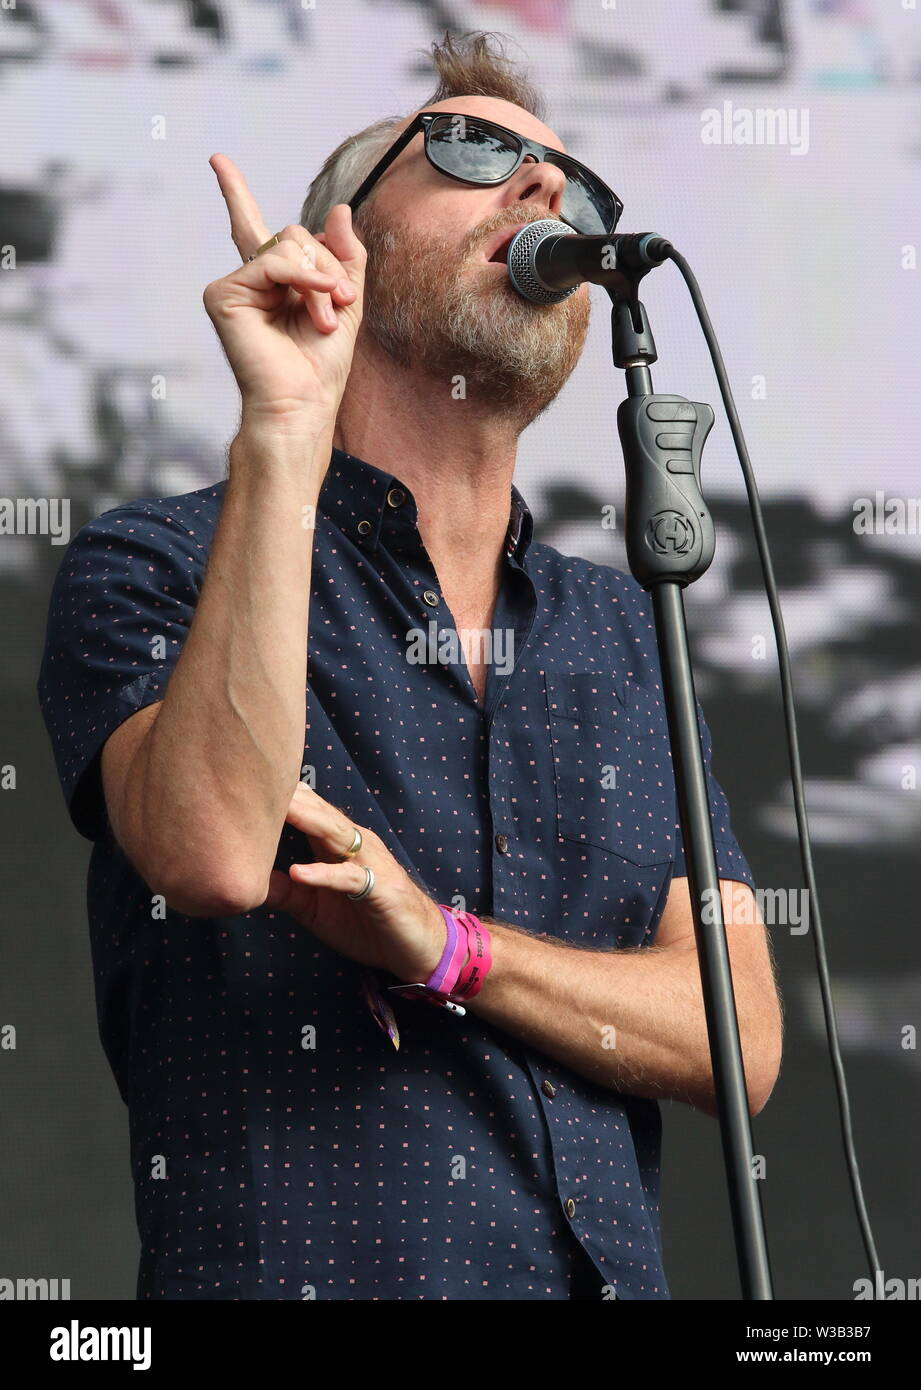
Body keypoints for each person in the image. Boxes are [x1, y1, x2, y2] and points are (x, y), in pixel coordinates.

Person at [37, 32, 782, 1301]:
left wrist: (450, 947)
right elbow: (212, 851)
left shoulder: (625, 629)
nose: (546, 192)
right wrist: (285, 424)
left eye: (570, 179)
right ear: (342, 241)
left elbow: (738, 1032)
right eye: (474, 150)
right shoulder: (154, 562)